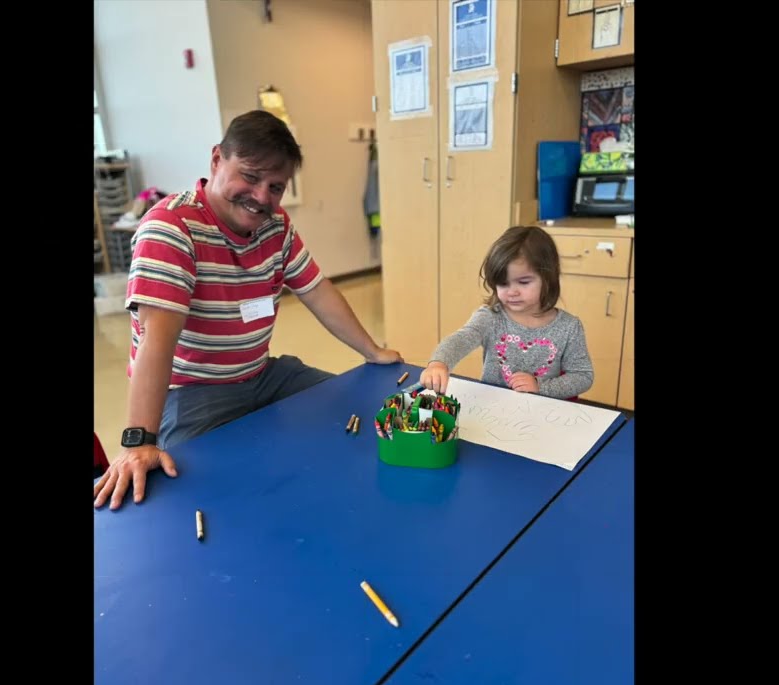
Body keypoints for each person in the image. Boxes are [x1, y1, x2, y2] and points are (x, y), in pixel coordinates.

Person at [95, 110, 402, 509]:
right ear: (216, 159)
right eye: (250, 176)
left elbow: (316, 290)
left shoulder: (276, 226)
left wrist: (372, 351)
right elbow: (157, 341)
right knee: (200, 494)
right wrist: (138, 441)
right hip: (193, 391)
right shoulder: (171, 229)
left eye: (275, 187)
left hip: (263, 375)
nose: (261, 197)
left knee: (354, 411)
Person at [420, 226, 593, 399]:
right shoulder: (490, 316)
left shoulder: (569, 327)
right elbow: (462, 338)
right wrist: (439, 363)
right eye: (503, 284)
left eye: (523, 282)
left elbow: (582, 376)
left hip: (542, 409)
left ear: (548, 278)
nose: (512, 292)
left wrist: (540, 386)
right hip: (495, 405)